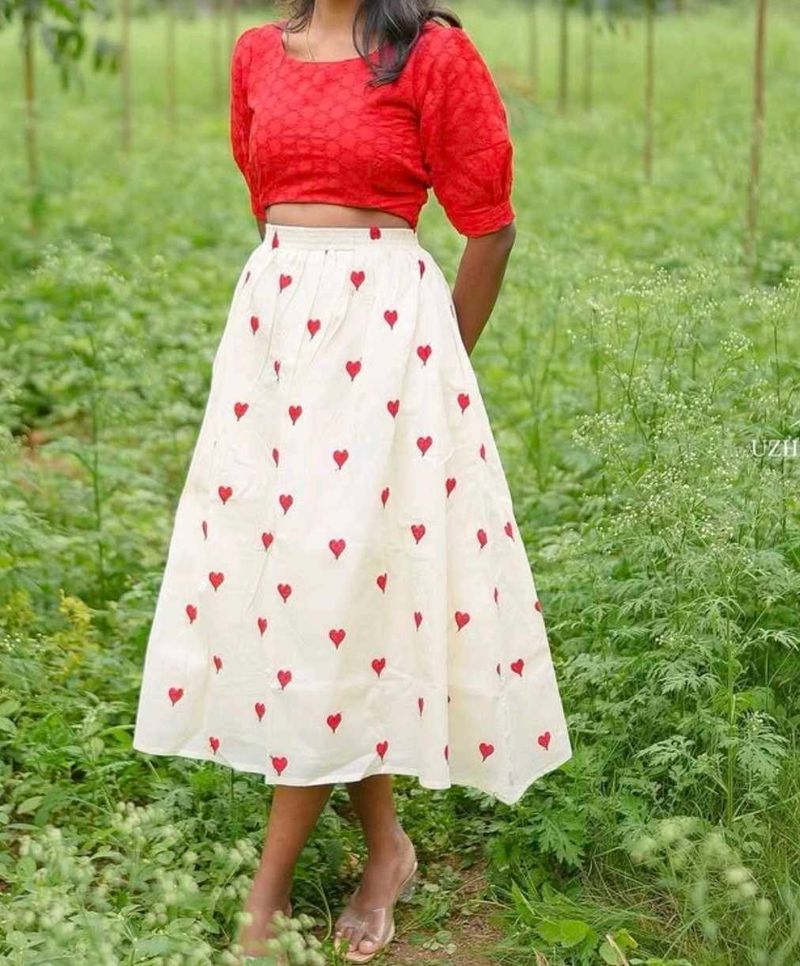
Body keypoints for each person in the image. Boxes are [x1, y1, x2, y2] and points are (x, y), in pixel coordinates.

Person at [131, 0, 573, 960]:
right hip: (275, 333)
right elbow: (271, 202)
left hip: (387, 341)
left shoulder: (431, 54)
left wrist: (433, 373)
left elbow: (488, 227)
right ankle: (387, 847)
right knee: (312, 600)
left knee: (329, 589)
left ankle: (267, 893)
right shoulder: (258, 54)